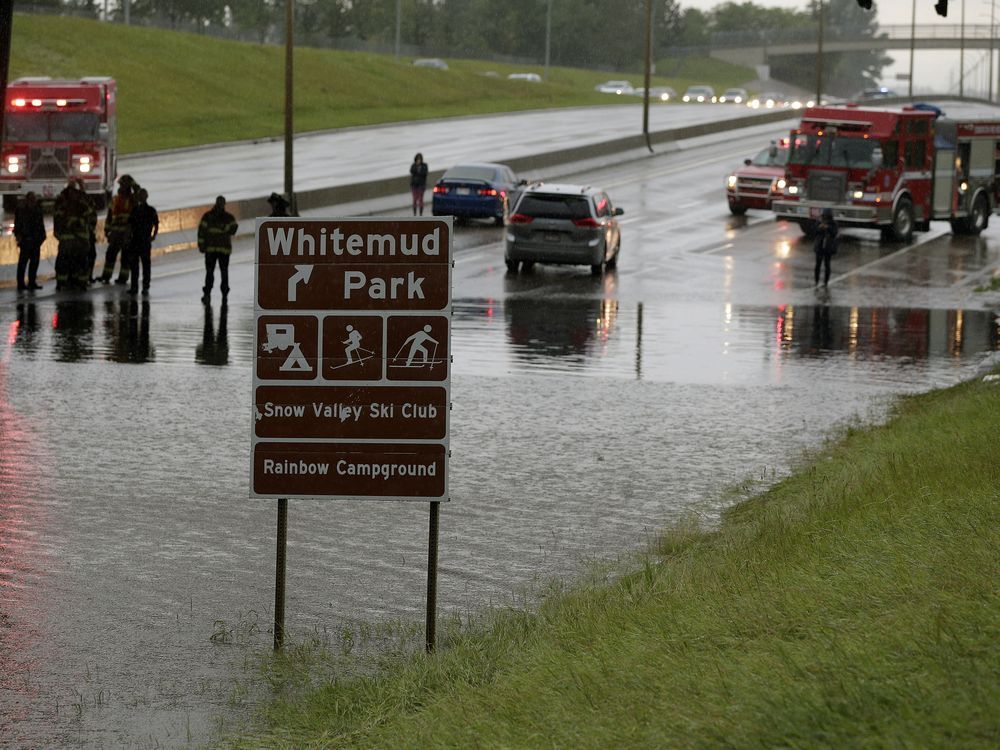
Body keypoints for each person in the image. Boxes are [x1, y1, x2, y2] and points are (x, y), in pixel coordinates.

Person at [52, 180, 93, 290]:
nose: (72, 195)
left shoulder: (82, 205)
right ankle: (64, 283)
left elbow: (90, 216)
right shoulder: (63, 205)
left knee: (79, 263)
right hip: (70, 241)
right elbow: (57, 220)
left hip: (79, 241)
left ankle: (79, 283)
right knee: (65, 263)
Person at [198, 195, 238, 304]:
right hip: (218, 250)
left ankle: (214, 294)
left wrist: (201, 245)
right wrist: (201, 245)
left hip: (215, 250)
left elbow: (234, 229)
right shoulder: (225, 217)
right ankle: (214, 294)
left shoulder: (210, 216)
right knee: (215, 272)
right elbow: (201, 231)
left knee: (216, 272)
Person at [99, 174, 137, 284]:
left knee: (125, 257)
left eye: (123, 185)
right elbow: (109, 216)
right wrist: (107, 230)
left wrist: (133, 183)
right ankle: (106, 276)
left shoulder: (133, 200)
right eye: (120, 185)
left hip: (127, 233)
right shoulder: (115, 199)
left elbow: (139, 192)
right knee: (110, 254)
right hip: (115, 233)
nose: (121, 187)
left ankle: (123, 278)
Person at [127, 188, 159, 295]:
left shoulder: (136, 210)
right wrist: (153, 235)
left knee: (137, 266)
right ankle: (142, 286)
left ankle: (136, 287)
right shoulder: (150, 210)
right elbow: (156, 224)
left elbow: (129, 225)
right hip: (142, 241)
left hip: (138, 241)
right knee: (143, 265)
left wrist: (153, 235)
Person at [14, 191, 46, 291]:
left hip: (34, 240)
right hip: (27, 240)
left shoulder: (36, 210)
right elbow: (18, 224)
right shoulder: (23, 210)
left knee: (33, 263)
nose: (33, 201)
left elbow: (40, 225)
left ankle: (30, 282)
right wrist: (19, 236)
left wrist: (42, 237)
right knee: (24, 263)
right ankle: (22, 283)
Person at [814, 207, 838, 287]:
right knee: (818, 264)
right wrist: (820, 228)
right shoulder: (819, 222)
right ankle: (816, 281)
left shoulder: (833, 223)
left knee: (827, 265)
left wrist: (828, 228)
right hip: (820, 246)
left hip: (828, 247)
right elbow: (815, 231)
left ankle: (825, 282)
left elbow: (834, 233)